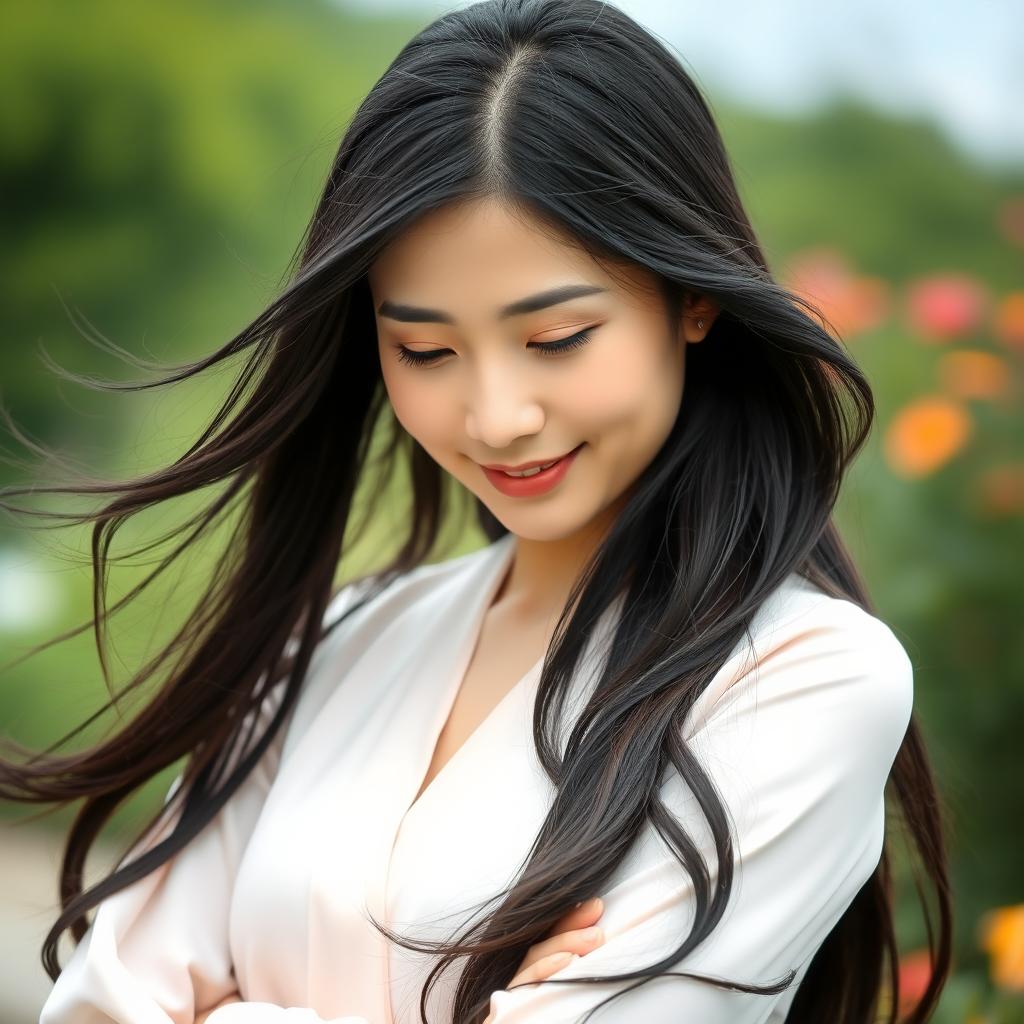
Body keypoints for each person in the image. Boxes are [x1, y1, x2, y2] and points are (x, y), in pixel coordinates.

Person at [0, 1, 952, 1022]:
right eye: (426, 351)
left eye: (556, 337)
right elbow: (99, 1003)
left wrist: (224, 1008)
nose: (497, 417)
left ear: (692, 296)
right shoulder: (338, 641)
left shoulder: (803, 684)